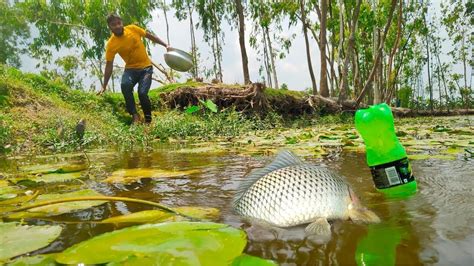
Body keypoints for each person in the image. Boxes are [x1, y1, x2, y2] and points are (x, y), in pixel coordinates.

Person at [98, 14, 169, 124]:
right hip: (130, 69)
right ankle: (135, 116)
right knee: (125, 85)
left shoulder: (133, 29)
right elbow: (109, 65)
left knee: (142, 93)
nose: (117, 26)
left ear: (122, 22)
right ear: (109, 27)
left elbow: (149, 36)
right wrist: (104, 85)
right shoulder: (111, 44)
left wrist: (165, 45)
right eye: (113, 25)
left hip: (146, 68)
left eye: (118, 23)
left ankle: (148, 120)